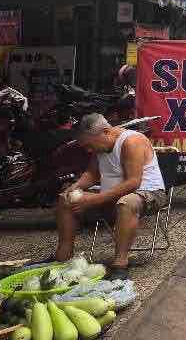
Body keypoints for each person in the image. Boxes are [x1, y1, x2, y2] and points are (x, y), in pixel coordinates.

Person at [55, 114, 166, 280]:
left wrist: (94, 200)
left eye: (89, 145)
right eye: (86, 147)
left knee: (126, 203)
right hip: (111, 196)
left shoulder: (131, 141)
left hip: (147, 193)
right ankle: (63, 256)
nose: (89, 150)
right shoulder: (99, 145)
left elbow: (133, 182)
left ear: (106, 132)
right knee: (65, 199)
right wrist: (75, 187)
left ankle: (120, 263)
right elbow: (92, 174)